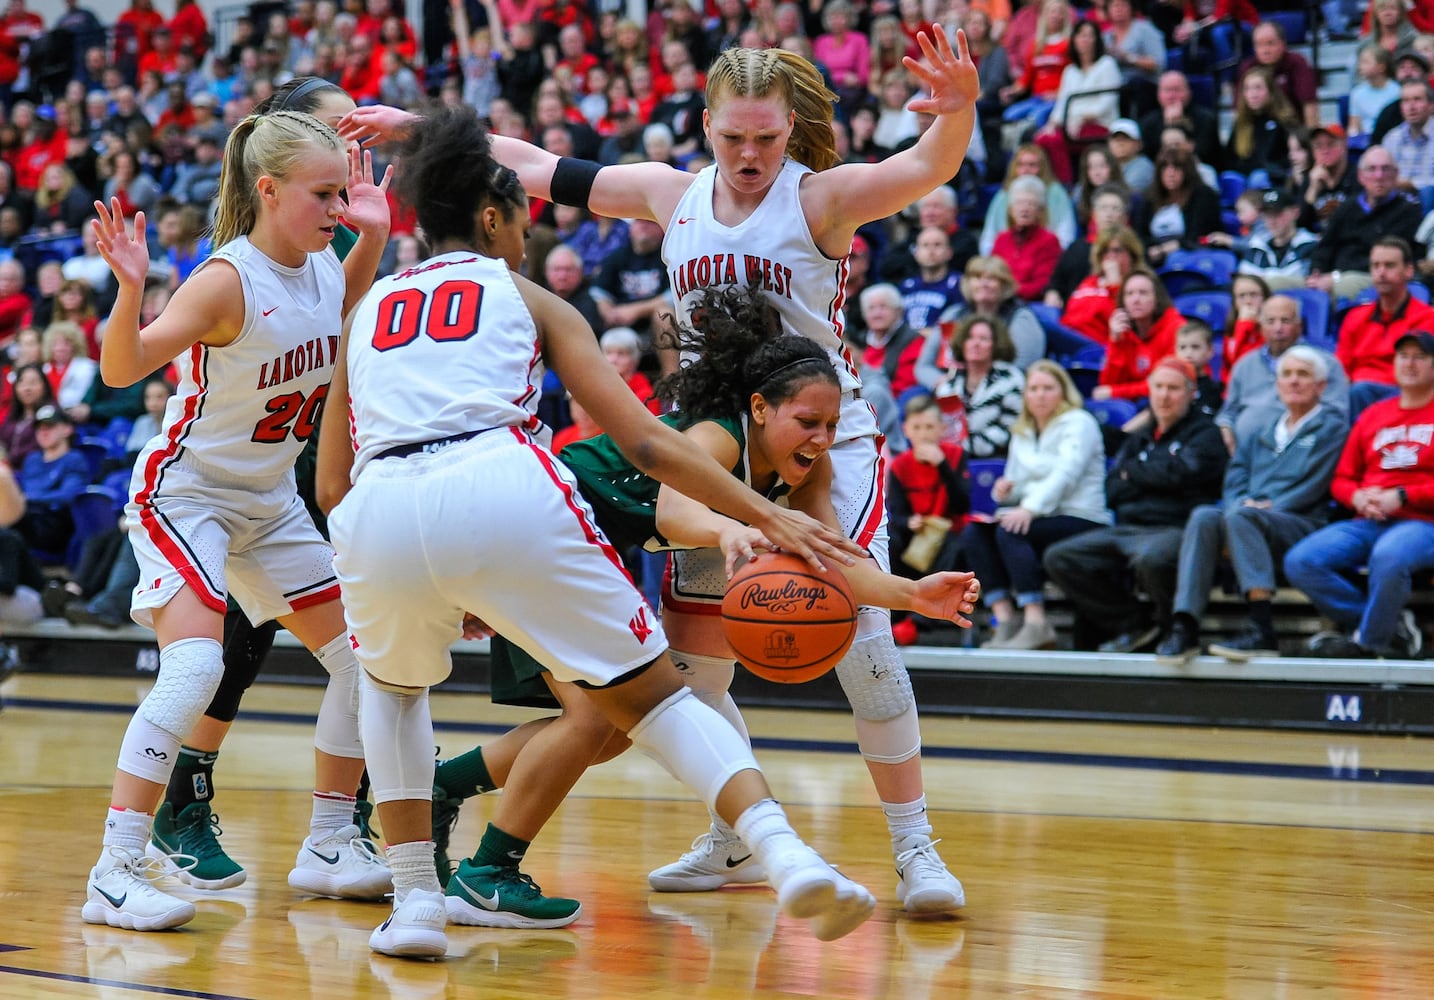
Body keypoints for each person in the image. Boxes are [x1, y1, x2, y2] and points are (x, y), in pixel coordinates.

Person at [341, 27, 981, 915]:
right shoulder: (670, 194)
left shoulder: (820, 196)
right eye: (733, 138)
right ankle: (734, 842)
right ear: (704, 125)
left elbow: (923, 168)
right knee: (694, 671)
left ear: (790, 126)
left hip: (816, 439)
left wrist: (957, 113)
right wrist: (425, 132)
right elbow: (539, 165)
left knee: (861, 642)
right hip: (708, 444)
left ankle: (917, 853)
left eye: (766, 137)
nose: (751, 155)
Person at [80, 108, 394, 933]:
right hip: (187, 493)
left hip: (267, 501)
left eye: (341, 193)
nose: (337, 207)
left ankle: (329, 843)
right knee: (193, 672)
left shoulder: (325, 259)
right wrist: (128, 288)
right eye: (324, 194)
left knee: (366, 662)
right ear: (268, 189)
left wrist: (372, 234)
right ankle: (113, 872)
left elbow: (340, 306)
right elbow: (121, 368)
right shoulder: (226, 279)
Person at [1157, 346, 1344, 663]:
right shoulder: (1262, 430)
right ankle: (1185, 625)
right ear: (1277, 384)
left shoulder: (1333, 428)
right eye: (1287, 374)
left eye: (1303, 375)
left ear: (1321, 386)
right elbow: (1236, 476)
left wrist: (1265, 509)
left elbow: (1316, 484)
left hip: (1302, 523)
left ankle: (1262, 628)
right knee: (1204, 515)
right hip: (1248, 519)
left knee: (1243, 517)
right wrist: (1236, 510)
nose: (1294, 381)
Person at [1044, 355, 1227, 653]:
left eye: (1173, 388)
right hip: (1128, 527)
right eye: (1158, 387)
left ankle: (1172, 629)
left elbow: (1185, 475)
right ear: (1149, 391)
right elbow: (1113, 488)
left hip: (1176, 527)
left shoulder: (1206, 433)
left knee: (1152, 558)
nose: (1164, 395)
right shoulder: (1139, 437)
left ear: (1190, 394)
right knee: (1061, 557)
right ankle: (1136, 622)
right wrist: (1159, 474)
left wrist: (1138, 474)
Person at [1284, 331, 1434, 660]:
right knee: (1302, 561)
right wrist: (1358, 498)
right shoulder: (1374, 415)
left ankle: (1370, 644)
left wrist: (1405, 495)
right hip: (1370, 519)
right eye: (1403, 356)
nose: (1409, 363)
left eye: (1420, 356)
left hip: (1424, 523)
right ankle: (1389, 627)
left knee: (1389, 555)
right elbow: (1342, 478)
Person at [961, 359, 1109, 650]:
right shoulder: (1023, 431)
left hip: (1081, 514)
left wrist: (1028, 509)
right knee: (974, 533)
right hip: (1040, 514)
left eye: (1048, 388)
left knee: (1012, 530)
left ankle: (1036, 622)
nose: (1040, 395)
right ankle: (1005, 621)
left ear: (1063, 392)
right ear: (1025, 395)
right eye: (1034, 389)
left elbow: (1066, 475)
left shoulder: (1080, 423)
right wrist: (1005, 493)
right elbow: (1020, 485)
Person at [1305, 145, 1423, 303]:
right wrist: (1316, 273)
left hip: (1374, 277)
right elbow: (1325, 247)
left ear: (1396, 175)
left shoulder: (1408, 211)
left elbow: (1389, 257)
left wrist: (1335, 278)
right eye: (1372, 169)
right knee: (1275, 285)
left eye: (1385, 169)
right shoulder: (1346, 207)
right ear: (1361, 176)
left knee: (1343, 285)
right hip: (1333, 277)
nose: (1379, 175)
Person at [1336, 236, 1434, 418]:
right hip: (1356, 393)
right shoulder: (1355, 317)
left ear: (1409, 271)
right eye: (1375, 266)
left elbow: (1421, 372)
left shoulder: (1427, 318)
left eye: (1389, 266)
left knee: (1359, 391)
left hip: (1402, 392)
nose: (1381, 273)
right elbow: (1341, 367)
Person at [932, 313, 1025, 459]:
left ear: (996, 345)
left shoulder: (1010, 379)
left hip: (998, 459)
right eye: (970, 338)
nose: (976, 343)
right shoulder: (948, 385)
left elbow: (1012, 427)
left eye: (983, 339)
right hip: (953, 461)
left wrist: (964, 448)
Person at [1237, 188, 1318, 291]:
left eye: (1277, 214)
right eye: (1267, 215)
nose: (1271, 221)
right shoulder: (1256, 247)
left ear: (1295, 212)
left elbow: (1309, 285)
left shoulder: (1310, 247)